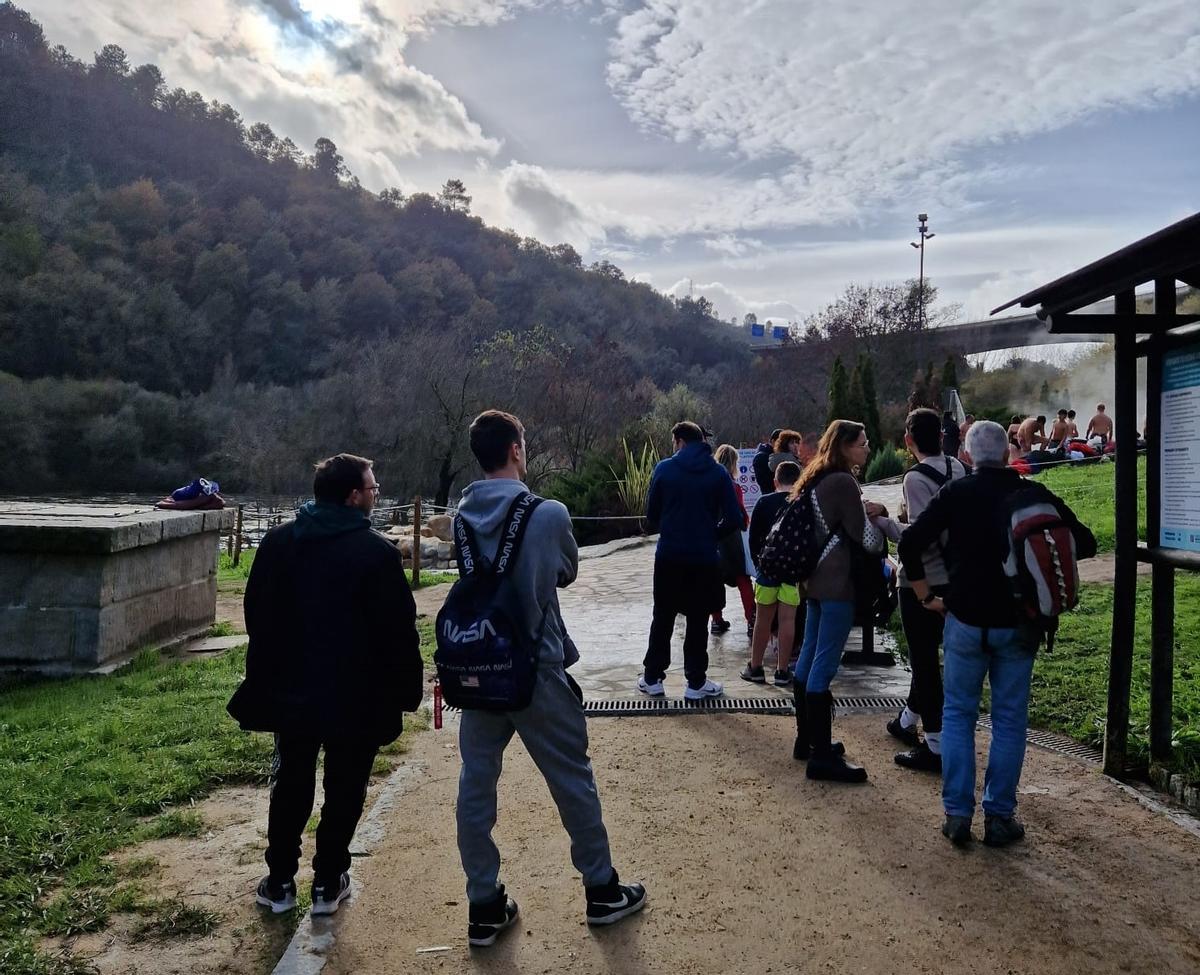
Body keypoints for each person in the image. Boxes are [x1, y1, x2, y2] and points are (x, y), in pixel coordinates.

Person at [454, 410, 646, 946]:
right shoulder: (548, 513)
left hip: (478, 668)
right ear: (516, 449)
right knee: (570, 777)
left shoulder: (461, 515)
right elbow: (565, 570)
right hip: (536, 668)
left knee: (476, 783)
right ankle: (602, 890)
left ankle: (484, 902)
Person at [228, 453, 424, 916]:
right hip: (357, 697)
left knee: (290, 783)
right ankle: (328, 881)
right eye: (373, 489)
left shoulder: (276, 544)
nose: (376, 495)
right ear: (354, 496)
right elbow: (399, 630)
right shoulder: (376, 553)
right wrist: (406, 689)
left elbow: (256, 613)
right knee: (345, 788)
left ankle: (279, 882)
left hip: (292, 692)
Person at [898, 421, 1096, 847]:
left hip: (964, 619)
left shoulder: (957, 493)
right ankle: (1000, 816)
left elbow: (911, 542)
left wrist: (924, 595)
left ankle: (957, 815)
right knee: (1008, 721)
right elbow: (1086, 541)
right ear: (1008, 453)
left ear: (968, 457)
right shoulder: (1033, 494)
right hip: (1020, 623)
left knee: (957, 715)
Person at [790, 420, 886, 782]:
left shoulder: (815, 477)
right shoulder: (844, 482)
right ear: (845, 446)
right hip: (837, 586)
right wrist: (882, 518)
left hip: (813, 583)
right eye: (862, 443)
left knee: (809, 657)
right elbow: (868, 540)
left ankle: (808, 740)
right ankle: (821, 758)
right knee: (824, 665)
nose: (867, 448)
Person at [875, 409, 967, 773]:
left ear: (909, 441)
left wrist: (882, 522)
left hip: (921, 581)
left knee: (925, 662)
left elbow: (916, 537)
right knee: (928, 658)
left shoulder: (914, 477)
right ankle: (907, 720)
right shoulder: (957, 468)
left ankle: (935, 745)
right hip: (956, 575)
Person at [640, 421, 742, 700]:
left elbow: (652, 515)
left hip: (670, 556)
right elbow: (735, 518)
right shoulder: (718, 473)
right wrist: (711, 534)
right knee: (698, 619)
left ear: (680, 441)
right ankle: (695, 682)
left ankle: (653, 678)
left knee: (663, 616)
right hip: (704, 558)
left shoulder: (664, 469)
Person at [744, 460, 803, 686]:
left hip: (767, 570)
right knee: (788, 620)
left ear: (775, 481)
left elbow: (753, 537)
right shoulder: (802, 503)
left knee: (763, 620)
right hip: (791, 571)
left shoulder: (764, 502)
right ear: (798, 480)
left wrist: (759, 564)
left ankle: (756, 667)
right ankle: (781, 670)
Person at [711, 443, 756, 637]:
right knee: (742, 578)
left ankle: (717, 620)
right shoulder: (733, 485)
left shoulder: (709, 483)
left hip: (712, 536)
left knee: (715, 581)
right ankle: (752, 619)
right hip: (731, 537)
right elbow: (740, 512)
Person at [753, 428, 782, 495]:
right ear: (772, 441)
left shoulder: (783, 456)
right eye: (780, 442)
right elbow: (764, 482)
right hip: (770, 496)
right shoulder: (761, 457)